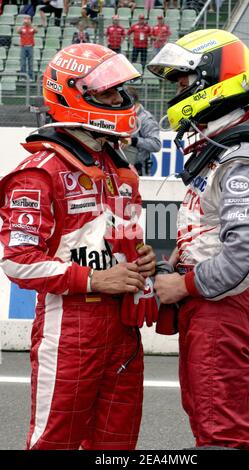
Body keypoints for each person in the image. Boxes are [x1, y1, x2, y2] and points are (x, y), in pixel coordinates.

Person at [0, 43, 158, 450]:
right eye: (106, 92)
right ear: (72, 93)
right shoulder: (39, 171)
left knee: (117, 448)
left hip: (124, 328)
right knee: (56, 443)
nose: (119, 100)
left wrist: (141, 257)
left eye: (118, 91)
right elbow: (18, 262)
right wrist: (95, 279)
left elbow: (123, 237)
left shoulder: (117, 164)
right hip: (70, 328)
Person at [148, 29, 249, 449]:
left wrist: (182, 283)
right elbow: (207, 237)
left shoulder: (240, 162)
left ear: (213, 80)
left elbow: (241, 256)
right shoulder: (221, 152)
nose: (179, 92)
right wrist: (172, 266)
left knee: (222, 433)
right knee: (208, 422)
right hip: (209, 306)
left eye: (184, 82)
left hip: (222, 309)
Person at [121, 86, 161, 175]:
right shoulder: (123, 116)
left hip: (138, 172)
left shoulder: (146, 119)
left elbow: (156, 144)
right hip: (121, 168)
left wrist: (134, 141)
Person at [17, 15, 38, 82]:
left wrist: (30, 24)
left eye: (28, 19)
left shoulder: (32, 27)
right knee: (23, 63)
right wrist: (23, 24)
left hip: (30, 47)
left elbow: (36, 30)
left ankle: (31, 77)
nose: (27, 20)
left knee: (30, 63)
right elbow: (18, 31)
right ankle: (22, 77)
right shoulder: (22, 27)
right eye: (26, 19)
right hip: (23, 47)